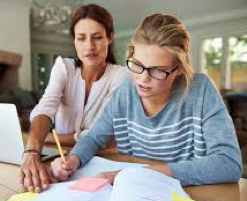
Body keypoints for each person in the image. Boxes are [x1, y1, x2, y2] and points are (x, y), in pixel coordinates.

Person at [51, 13, 242, 187]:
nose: (143, 79)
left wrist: (138, 174)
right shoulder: (125, 91)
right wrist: (73, 159)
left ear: (179, 70)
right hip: (135, 191)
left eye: (157, 70)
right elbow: (93, 138)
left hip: (187, 194)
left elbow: (228, 163)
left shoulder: (200, 91)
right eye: (137, 65)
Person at [20, 4, 129, 192]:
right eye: (81, 38)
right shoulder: (63, 67)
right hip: (59, 158)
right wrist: (31, 151)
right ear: (74, 41)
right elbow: (46, 106)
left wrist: (47, 137)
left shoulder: (121, 76)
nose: (89, 46)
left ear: (110, 38)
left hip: (100, 159)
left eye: (97, 37)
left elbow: (101, 136)